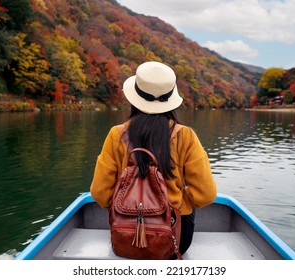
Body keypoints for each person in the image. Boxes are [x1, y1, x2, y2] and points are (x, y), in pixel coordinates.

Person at [90, 61, 217, 256]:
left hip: (125, 234)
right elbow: (206, 194)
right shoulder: (186, 136)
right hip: (175, 238)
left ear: (135, 97)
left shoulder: (116, 134)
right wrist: (178, 197)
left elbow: (100, 193)